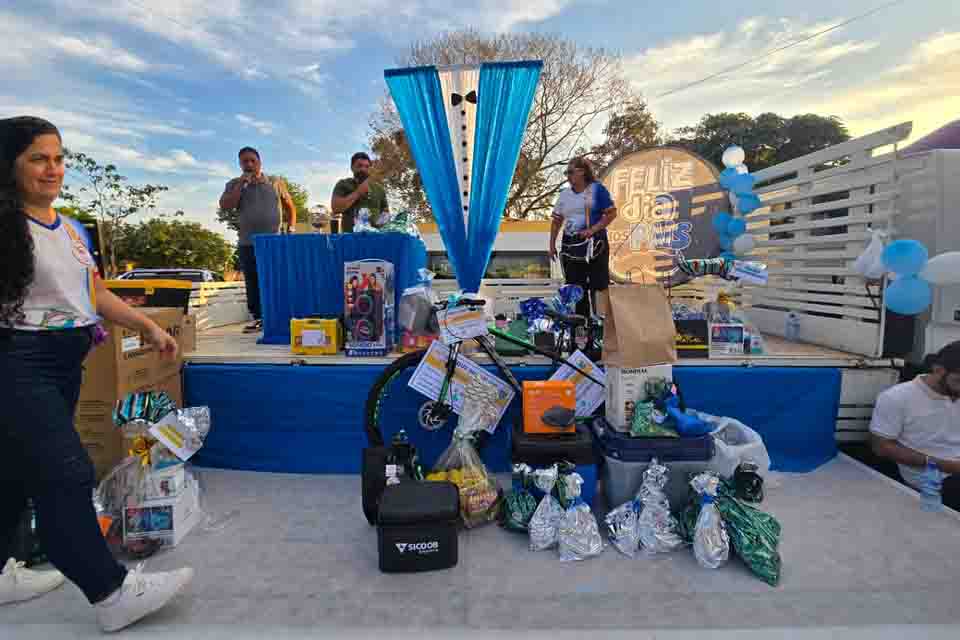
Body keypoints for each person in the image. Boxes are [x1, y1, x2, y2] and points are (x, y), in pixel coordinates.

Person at [0, 116, 193, 632]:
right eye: (37, 158)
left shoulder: (69, 228)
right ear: (9, 165)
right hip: (16, 358)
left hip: (65, 359)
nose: (53, 169)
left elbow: (95, 293)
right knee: (65, 472)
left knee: (15, 475)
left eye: (59, 157)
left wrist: (148, 326)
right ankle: (110, 592)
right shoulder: (4, 226)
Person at [870, 341, 960, 510]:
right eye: (958, 380)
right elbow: (881, 447)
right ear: (938, 370)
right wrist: (943, 464)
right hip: (929, 478)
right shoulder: (897, 397)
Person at [219, 147, 297, 334]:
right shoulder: (233, 184)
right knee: (253, 282)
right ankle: (258, 318)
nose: (249, 165)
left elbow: (290, 208)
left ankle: (281, 317)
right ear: (240, 164)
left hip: (273, 242)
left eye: (252, 161)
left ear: (260, 162)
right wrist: (241, 185)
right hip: (248, 242)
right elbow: (226, 206)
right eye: (244, 161)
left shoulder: (275, 182)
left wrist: (291, 229)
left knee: (275, 278)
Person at [549, 157, 618, 318]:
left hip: (595, 244)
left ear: (583, 172)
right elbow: (556, 221)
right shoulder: (564, 194)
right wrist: (551, 245)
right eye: (566, 172)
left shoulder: (597, 189)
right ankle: (581, 330)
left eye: (571, 172)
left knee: (599, 285)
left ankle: (600, 324)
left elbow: (611, 213)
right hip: (571, 246)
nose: (568, 176)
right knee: (576, 287)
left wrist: (593, 229)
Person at [331, 152, 389, 233]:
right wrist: (358, 192)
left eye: (367, 166)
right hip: (350, 238)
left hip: (376, 238)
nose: (363, 169)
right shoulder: (343, 184)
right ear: (352, 167)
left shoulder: (379, 189)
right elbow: (335, 208)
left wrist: (377, 225)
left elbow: (386, 213)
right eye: (359, 166)